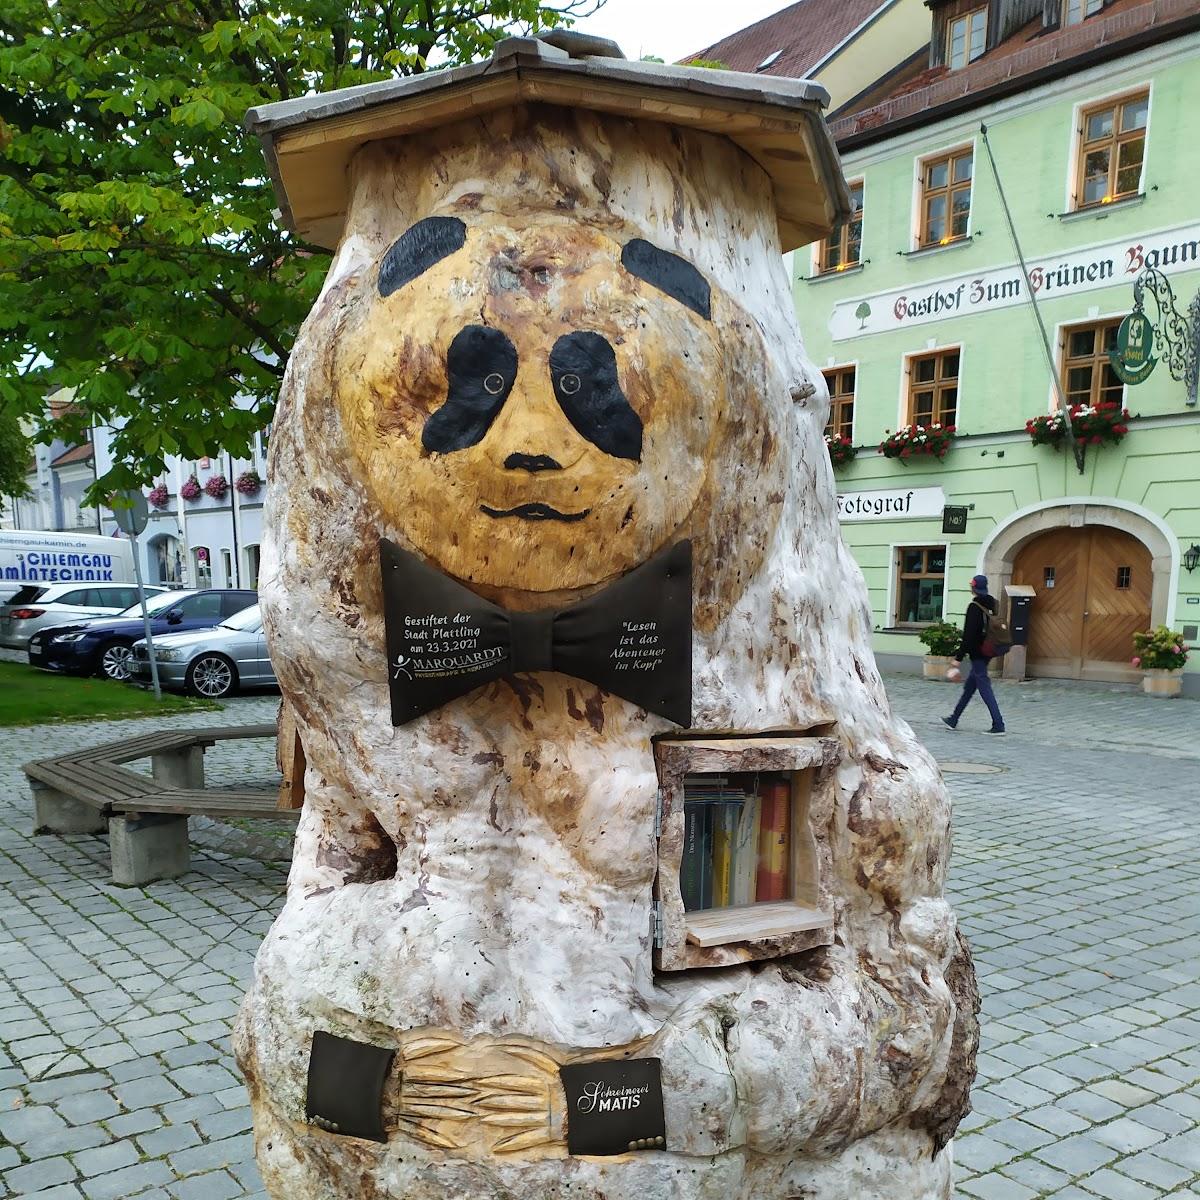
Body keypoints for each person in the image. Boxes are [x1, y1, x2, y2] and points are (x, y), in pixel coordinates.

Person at [942, 574, 1005, 734]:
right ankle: (954, 718)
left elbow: (968, 636)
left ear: (974, 587)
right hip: (988, 650)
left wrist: (958, 658)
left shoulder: (974, 607)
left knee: (984, 687)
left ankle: (998, 724)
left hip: (977, 653)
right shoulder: (992, 604)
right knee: (970, 687)